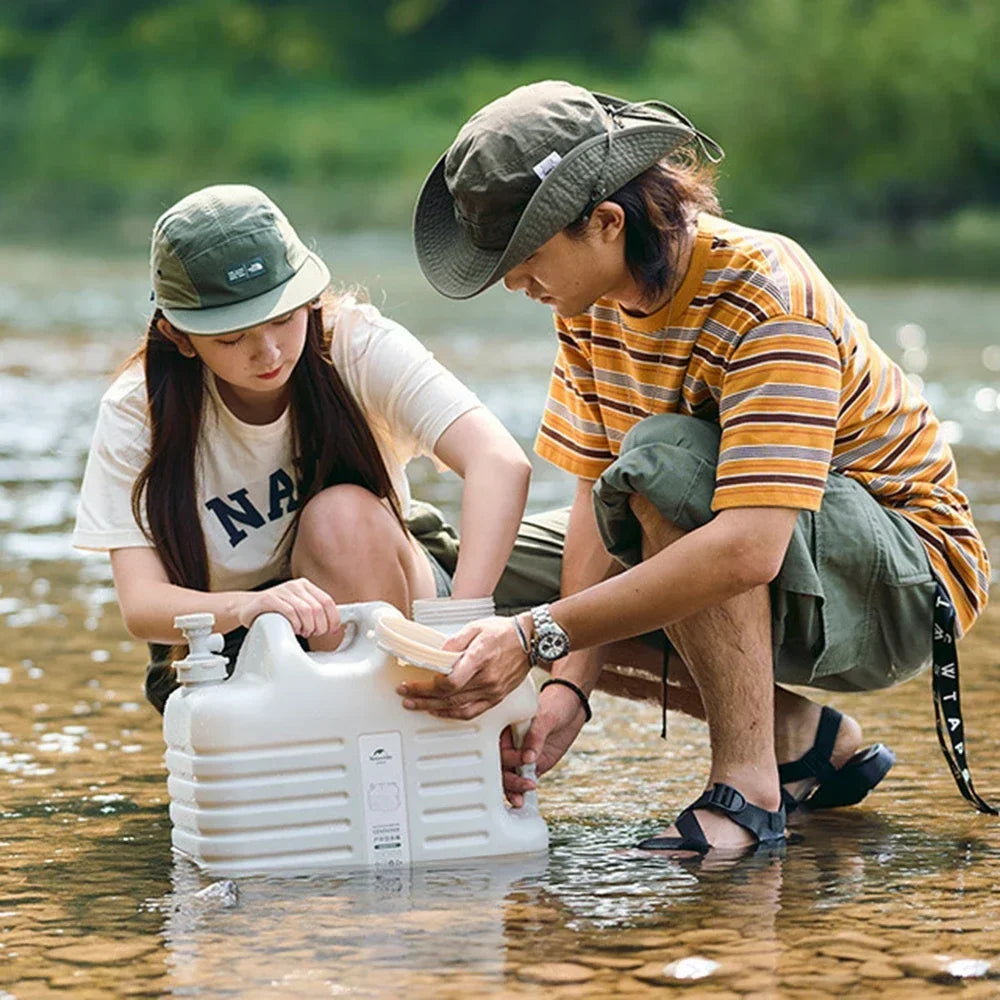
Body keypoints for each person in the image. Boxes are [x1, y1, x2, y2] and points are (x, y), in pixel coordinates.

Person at [407, 80, 993, 854]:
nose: (513, 283)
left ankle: (747, 791)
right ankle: (798, 736)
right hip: (769, 547)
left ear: (607, 223)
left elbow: (750, 544)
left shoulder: (762, 293)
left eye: (526, 259)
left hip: (906, 585)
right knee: (477, 572)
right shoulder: (585, 305)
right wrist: (565, 687)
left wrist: (538, 635)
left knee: (657, 468)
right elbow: (591, 495)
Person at [73, 183, 547, 713]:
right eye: (232, 338)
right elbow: (142, 606)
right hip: (238, 634)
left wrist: (462, 624)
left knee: (340, 518)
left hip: (387, 595)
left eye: (283, 317)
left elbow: (498, 461)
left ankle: (405, 730)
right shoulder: (137, 412)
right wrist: (256, 606)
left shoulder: (353, 343)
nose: (269, 352)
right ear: (181, 337)